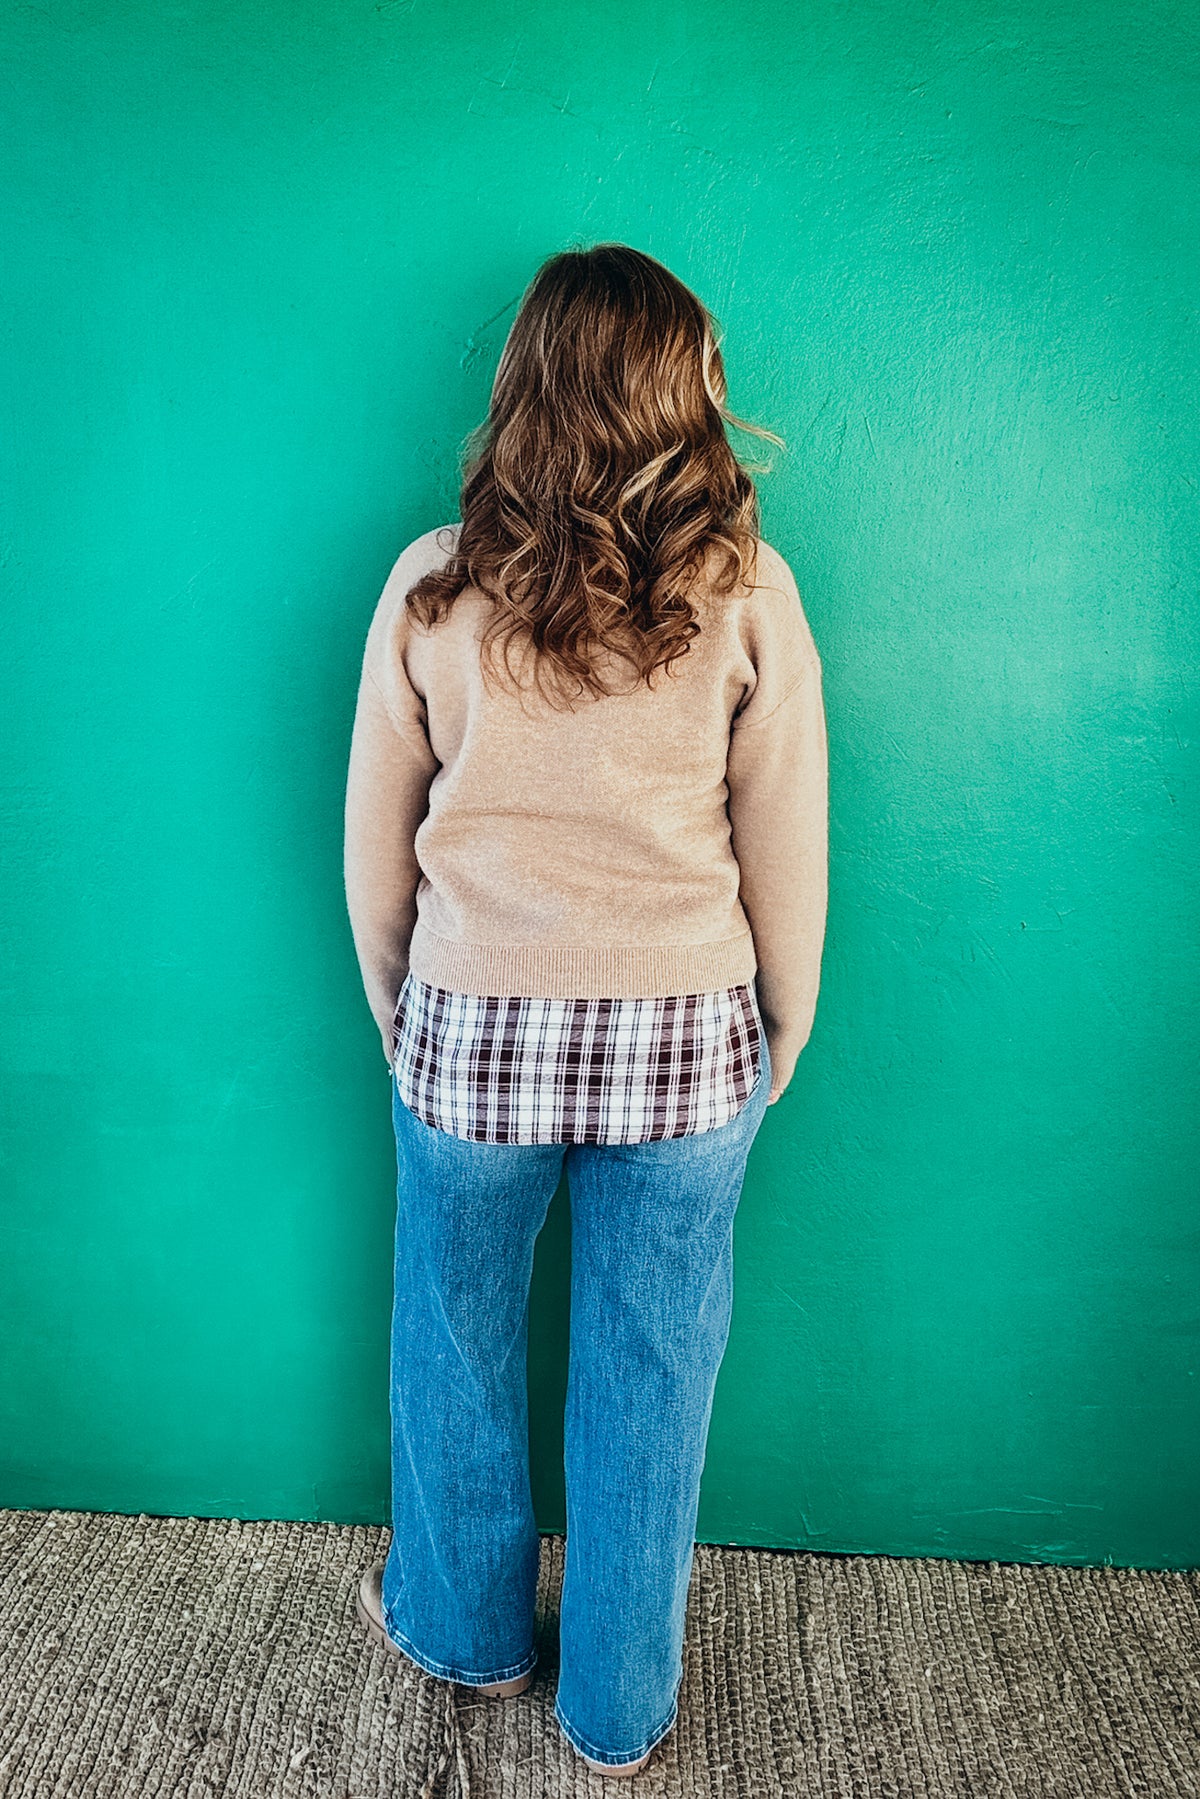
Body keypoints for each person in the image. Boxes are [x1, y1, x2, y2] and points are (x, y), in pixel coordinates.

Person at [343, 242, 828, 1778]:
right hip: (685, 1040)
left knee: (454, 1339)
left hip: (471, 1031)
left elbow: (375, 849)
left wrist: (404, 1011)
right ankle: (616, 1707)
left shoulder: (432, 585)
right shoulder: (744, 590)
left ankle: (464, 1632)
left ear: (524, 389)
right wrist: (787, 1019)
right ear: (689, 397)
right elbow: (785, 833)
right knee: (654, 1372)